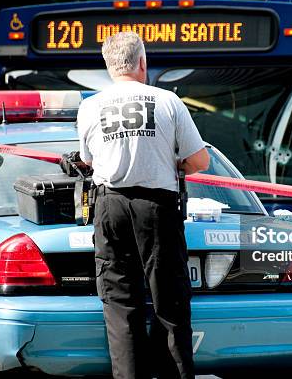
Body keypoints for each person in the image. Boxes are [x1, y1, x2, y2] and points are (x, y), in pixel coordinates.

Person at [77, 32, 209, 379]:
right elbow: (200, 160)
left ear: (108, 67)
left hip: (110, 207)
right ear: (142, 63)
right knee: (170, 304)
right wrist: (176, 164)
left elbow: (88, 160)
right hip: (157, 209)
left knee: (121, 307)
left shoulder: (90, 106)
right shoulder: (167, 101)